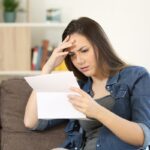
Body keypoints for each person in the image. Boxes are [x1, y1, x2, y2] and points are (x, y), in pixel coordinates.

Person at [24, 17, 150, 150]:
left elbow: (143, 137)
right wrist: (46, 69)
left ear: (100, 46)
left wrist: (96, 111)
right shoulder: (77, 88)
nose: (79, 61)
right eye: (72, 55)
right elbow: (31, 122)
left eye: (84, 51)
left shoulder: (136, 76)